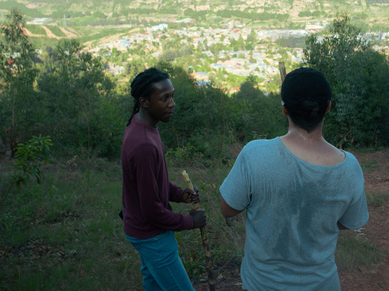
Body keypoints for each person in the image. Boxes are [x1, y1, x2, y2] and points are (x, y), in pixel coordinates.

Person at [219, 67, 369, 291]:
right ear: (328, 107)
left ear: (284, 109)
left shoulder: (254, 154)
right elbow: (348, 222)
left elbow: (227, 209)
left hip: (263, 285)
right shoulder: (349, 167)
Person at [121, 67, 207, 291]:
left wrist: (180, 194)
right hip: (153, 238)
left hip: (141, 231)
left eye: (172, 96)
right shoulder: (144, 145)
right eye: (164, 98)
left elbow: (152, 183)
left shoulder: (143, 127)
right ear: (145, 102)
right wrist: (191, 221)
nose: (172, 103)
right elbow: (151, 210)